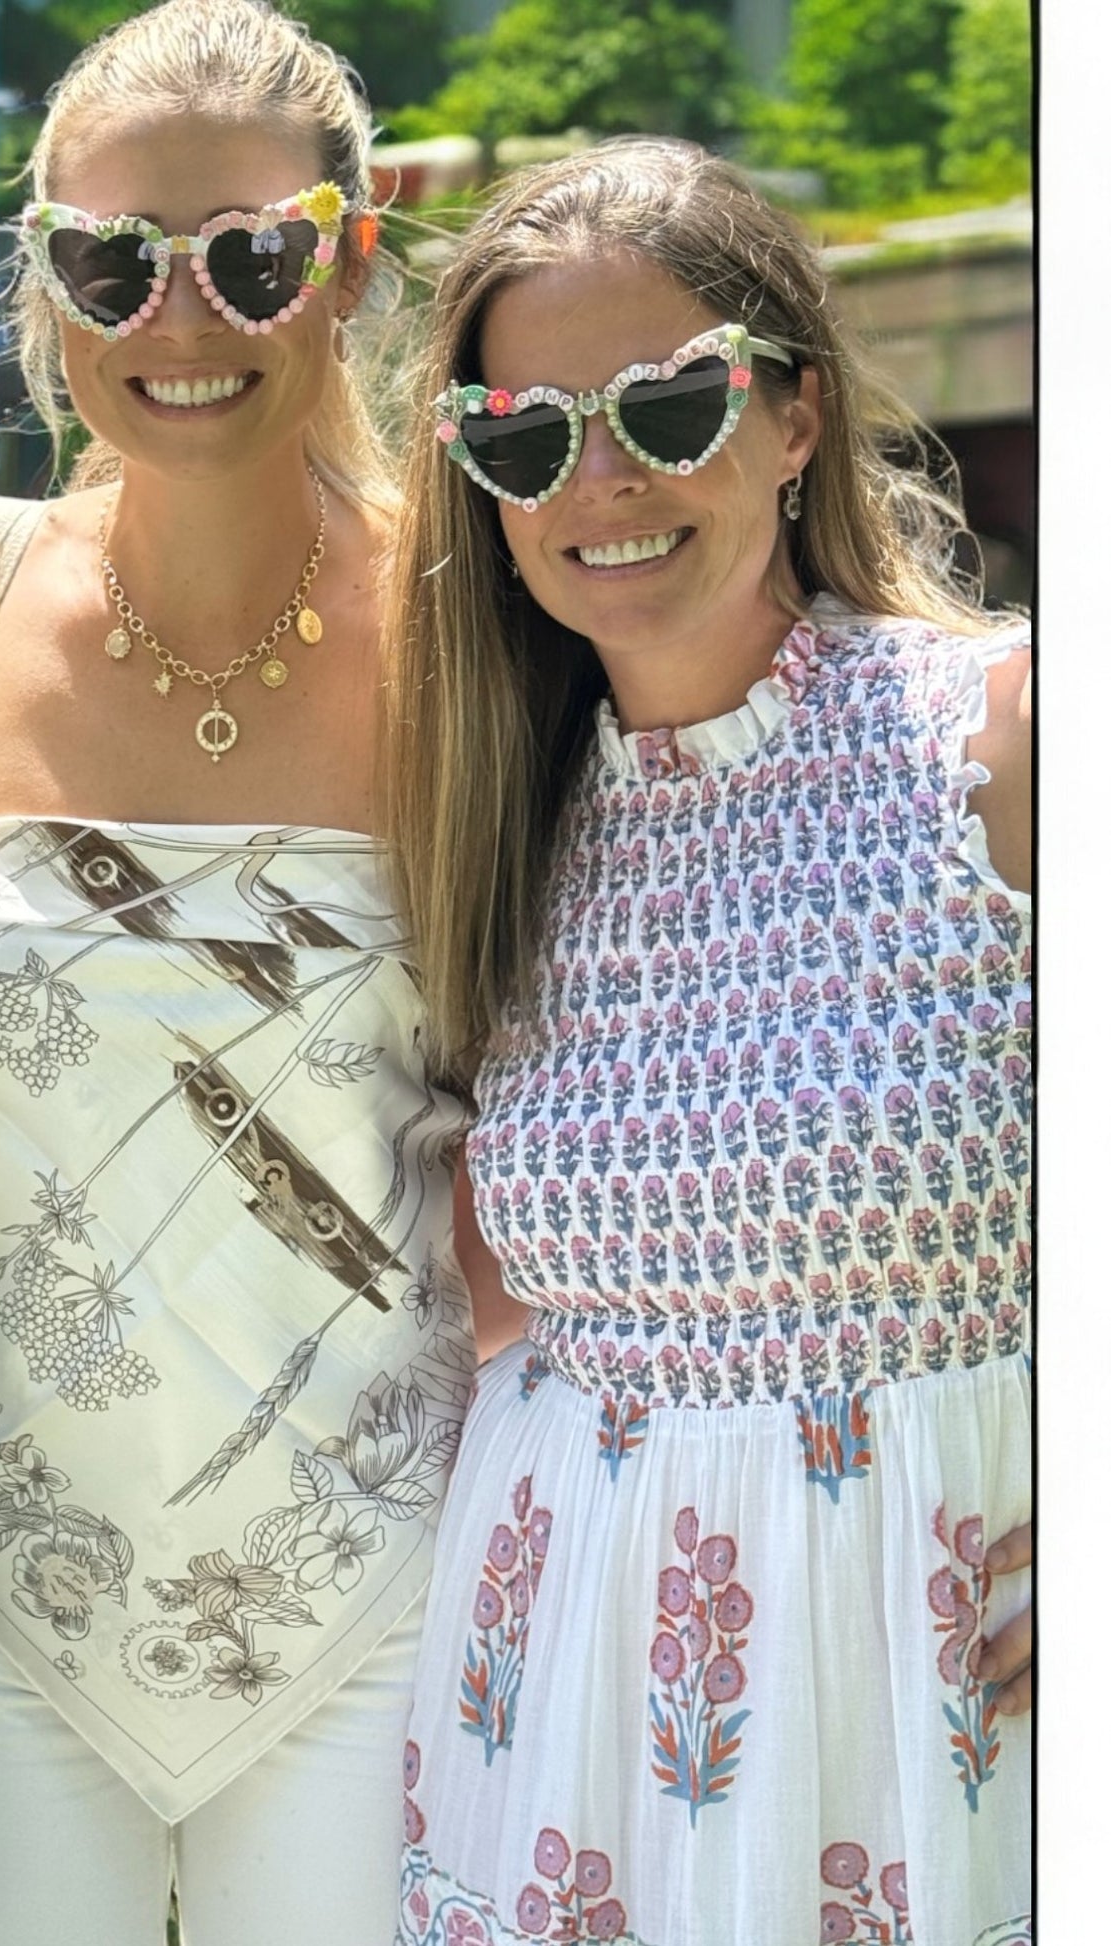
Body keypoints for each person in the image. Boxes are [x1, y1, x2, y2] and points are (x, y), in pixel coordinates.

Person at [0, 4, 476, 1942]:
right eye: (111, 260)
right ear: (44, 276)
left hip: (388, 1586)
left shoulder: (493, 630)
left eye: (249, 254)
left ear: (350, 258)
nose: (176, 316)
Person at [381, 137, 1031, 1946]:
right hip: (574, 1740)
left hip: (935, 1714)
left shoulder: (1003, 737)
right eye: (523, 436)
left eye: (665, 409)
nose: (596, 481)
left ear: (794, 415)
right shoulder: (495, 831)